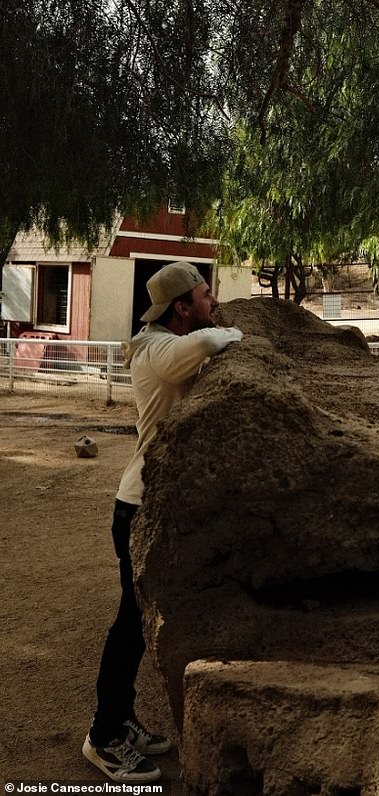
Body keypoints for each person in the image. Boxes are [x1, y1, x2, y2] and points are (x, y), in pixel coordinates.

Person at [82, 261, 243, 783]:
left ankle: (121, 720)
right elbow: (202, 347)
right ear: (181, 308)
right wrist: (236, 331)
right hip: (137, 506)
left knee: (136, 626)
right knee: (129, 625)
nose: (213, 301)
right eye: (204, 294)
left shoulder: (161, 343)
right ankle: (103, 738)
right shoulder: (157, 351)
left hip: (150, 502)